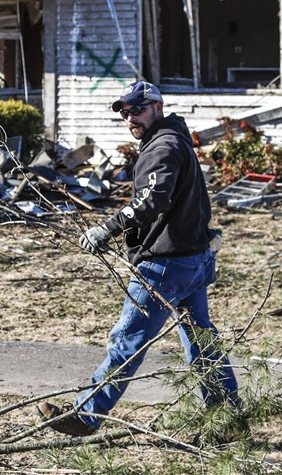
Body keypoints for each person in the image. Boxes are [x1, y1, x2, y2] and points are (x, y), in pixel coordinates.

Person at [37, 80, 240, 436]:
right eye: (126, 112)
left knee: (127, 340)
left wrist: (108, 229)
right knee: (202, 343)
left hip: (165, 266)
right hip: (193, 260)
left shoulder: (161, 148)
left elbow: (151, 200)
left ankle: (86, 416)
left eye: (138, 109)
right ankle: (229, 422)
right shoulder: (176, 139)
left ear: (157, 106)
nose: (132, 118)